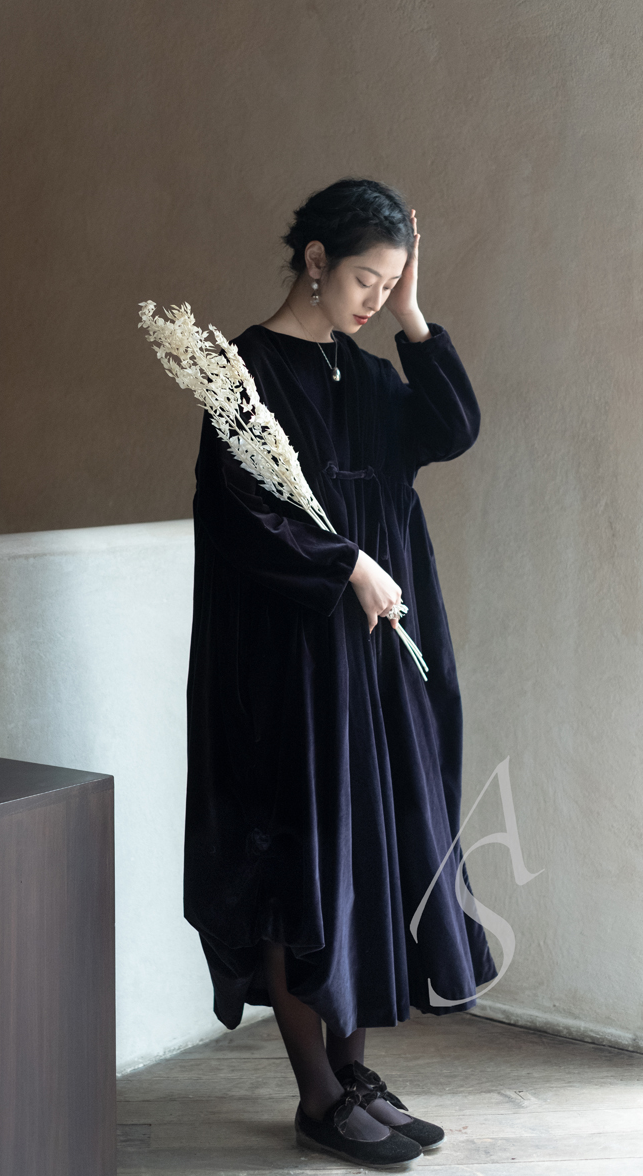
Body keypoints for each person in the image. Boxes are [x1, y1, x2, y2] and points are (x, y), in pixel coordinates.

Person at [184, 178, 497, 1169]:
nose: (375, 299)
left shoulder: (365, 376)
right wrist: (346, 564)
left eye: (391, 283)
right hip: (288, 667)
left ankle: (354, 1079)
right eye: (368, 279)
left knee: (363, 861)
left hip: (372, 662)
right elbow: (237, 518)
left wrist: (414, 318)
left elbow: (452, 427)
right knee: (300, 869)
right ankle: (317, 1095)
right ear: (315, 260)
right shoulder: (243, 372)